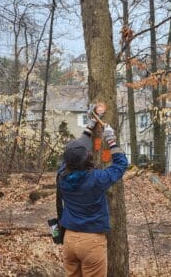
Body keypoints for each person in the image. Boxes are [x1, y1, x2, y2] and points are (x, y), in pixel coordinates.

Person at [56, 109, 128, 277]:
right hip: (92, 242)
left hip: (69, 239)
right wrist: (111, 141)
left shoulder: (61, 175)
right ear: (87, 159)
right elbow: (120, 165)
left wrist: (90, 126)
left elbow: (76, 150)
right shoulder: (97, 179)